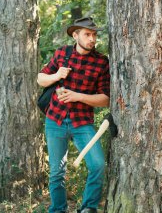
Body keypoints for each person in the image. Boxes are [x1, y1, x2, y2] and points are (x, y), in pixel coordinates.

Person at [37, 17, 110, 213]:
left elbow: (105, 99)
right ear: (75, 35)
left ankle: (88, 208)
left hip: (82, 123)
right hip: (55, 119)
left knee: (98, 165)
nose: (92, 39)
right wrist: (57, 76)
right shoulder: (62, 53)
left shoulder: (101, 62)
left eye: (94, 34)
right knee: (56, 173)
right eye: (87, 34)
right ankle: (58, 210)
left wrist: (77, 96)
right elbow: (41, 78)